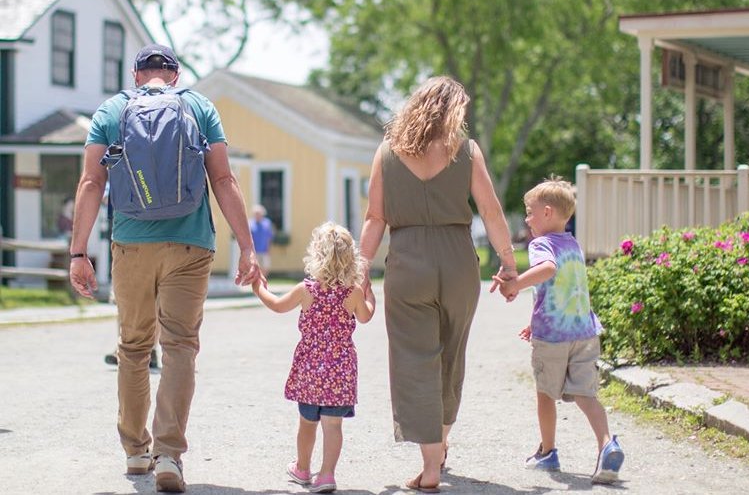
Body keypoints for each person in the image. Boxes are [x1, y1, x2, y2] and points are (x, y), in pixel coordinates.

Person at [68, 43, 262, 493]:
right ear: (174, 75)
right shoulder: (198, 107)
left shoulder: (112, 111)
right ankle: (169, 454)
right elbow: (224, 180)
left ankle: (137, 452)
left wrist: (79, 253)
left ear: (137, 74)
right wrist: (248, 247)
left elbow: (91, 181)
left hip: (132, 245)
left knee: (134, 347)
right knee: (179, 347)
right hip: (190, 244)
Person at [358, 76, 517, 492]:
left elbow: (375, 218)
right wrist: (509, 262)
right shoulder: (466, 151)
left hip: (408, 261)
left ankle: (431, 464)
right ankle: (440, 446)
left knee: (415, 359)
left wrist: (361, 271)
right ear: (454, 111)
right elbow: (492, 211)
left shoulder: (387, 153)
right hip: (459, 261)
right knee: (451, 355)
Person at [497, 177, 625, 484]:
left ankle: (548, 452)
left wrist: (515, 283)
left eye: (530, 211)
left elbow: (548, 270)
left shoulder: (542, 244)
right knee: (586, 394)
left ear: (547, 212)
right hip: (584, 332)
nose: (527, 218)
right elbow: (562, 291)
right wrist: (534, 319)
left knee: (545, 394)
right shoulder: (574, 245)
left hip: (554, 338)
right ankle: (607, 443)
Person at [251, 222, 375, 493]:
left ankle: (303, 468)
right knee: (333, 426)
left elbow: (275, 304)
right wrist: (369, 293)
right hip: (340, 371)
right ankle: (327, 475)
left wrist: (258, 287)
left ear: (316, 256)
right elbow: (366, 316)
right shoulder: (352, 293)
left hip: (310, 369)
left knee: (307, 423)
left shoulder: (306, 289)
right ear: (350, 259)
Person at [249, 204, 274, 277]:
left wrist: (269, 248)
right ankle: (257, 281)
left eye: (259, 214)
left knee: (265, 267)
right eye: (256, 214)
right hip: (254, 250)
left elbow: (269, 237)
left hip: (264, 250)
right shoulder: (250, 223)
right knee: (254, 267)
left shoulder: (267, 223)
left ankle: (263, 280)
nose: (257, 215)